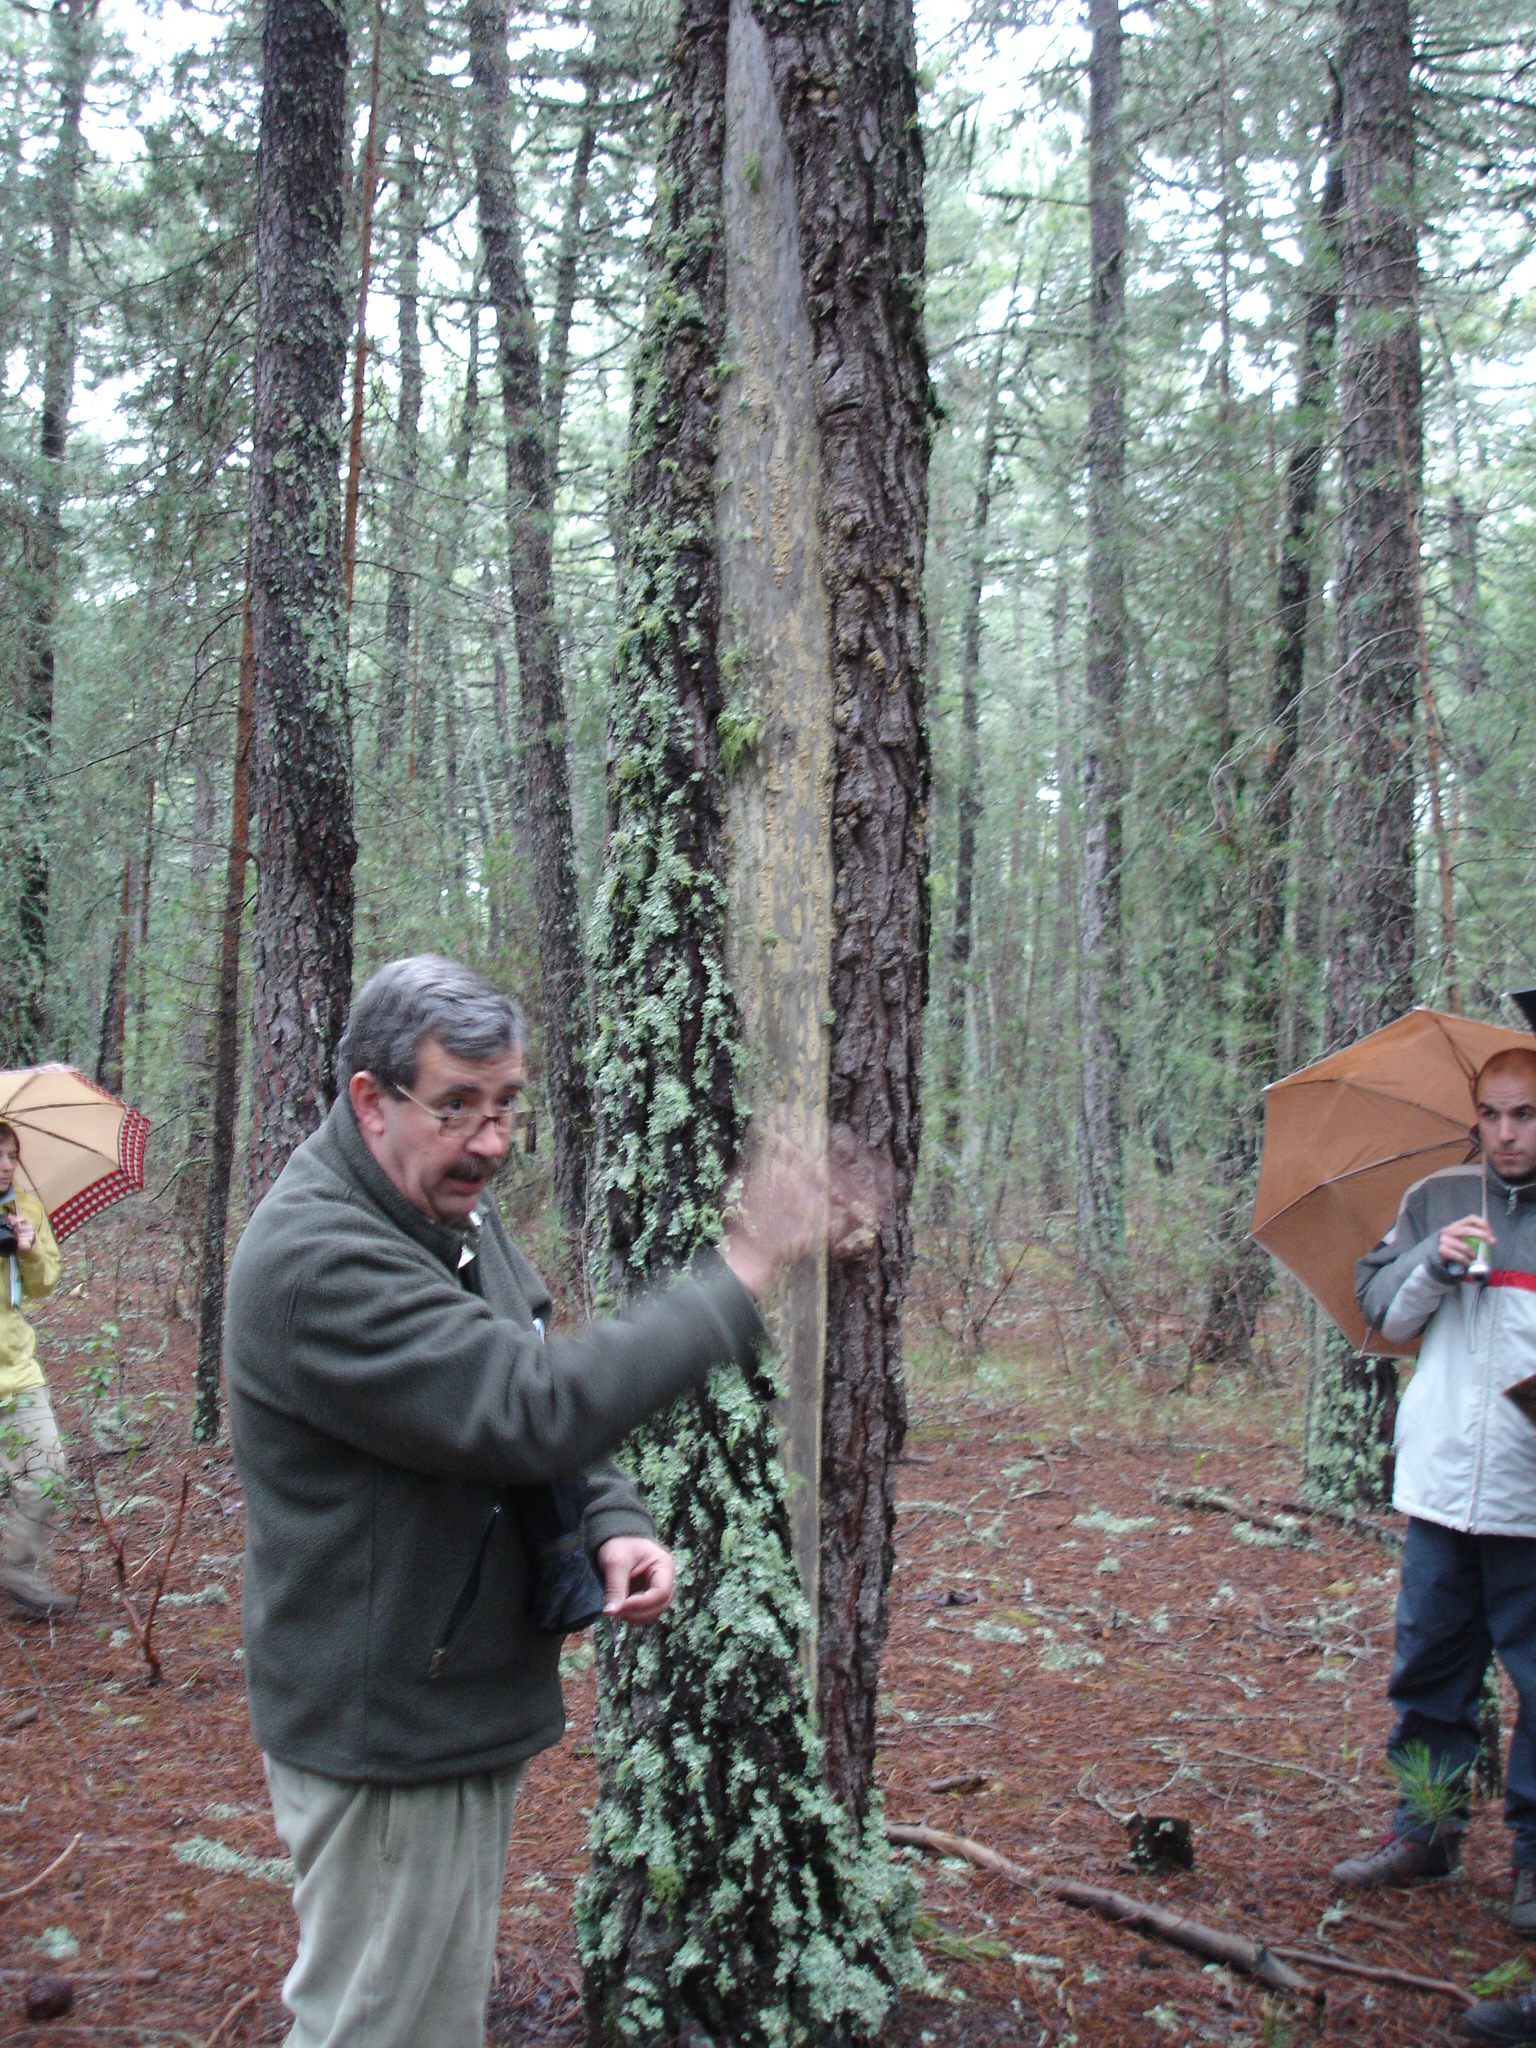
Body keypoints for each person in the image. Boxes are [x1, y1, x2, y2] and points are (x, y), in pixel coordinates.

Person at [225, 956, 825, 2048]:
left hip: (447, 1697)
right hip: (388, 1728)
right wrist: (738, 1273)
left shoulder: (439, 1207)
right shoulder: (321, 1259)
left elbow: (522, 1359)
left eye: (507, 1105)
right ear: (371, 1098)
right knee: (380, 2029)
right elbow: (533, 1406)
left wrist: (612, 1519)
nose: (492, 1139)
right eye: (457, 1103)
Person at [1331, 1046, 1536, 1951]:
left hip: (1533, 1503)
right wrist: (1434, 1261)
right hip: (1443, 1492)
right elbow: (1377, 1309)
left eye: (1524, 1115)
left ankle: (1534, 1863)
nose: (1506, 1133)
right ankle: (1424, 1833)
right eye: (1491, 1114)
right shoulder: (1438, 1198)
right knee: (1429, 1675)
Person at [0, 1117, 67, 1620]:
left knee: (45, 1472)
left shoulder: (24, 1207)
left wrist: (26, 1249)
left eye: (12, 1155)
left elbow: (44, 1285)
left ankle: (15, 1575)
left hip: (16, 1368)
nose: (5, 1166)